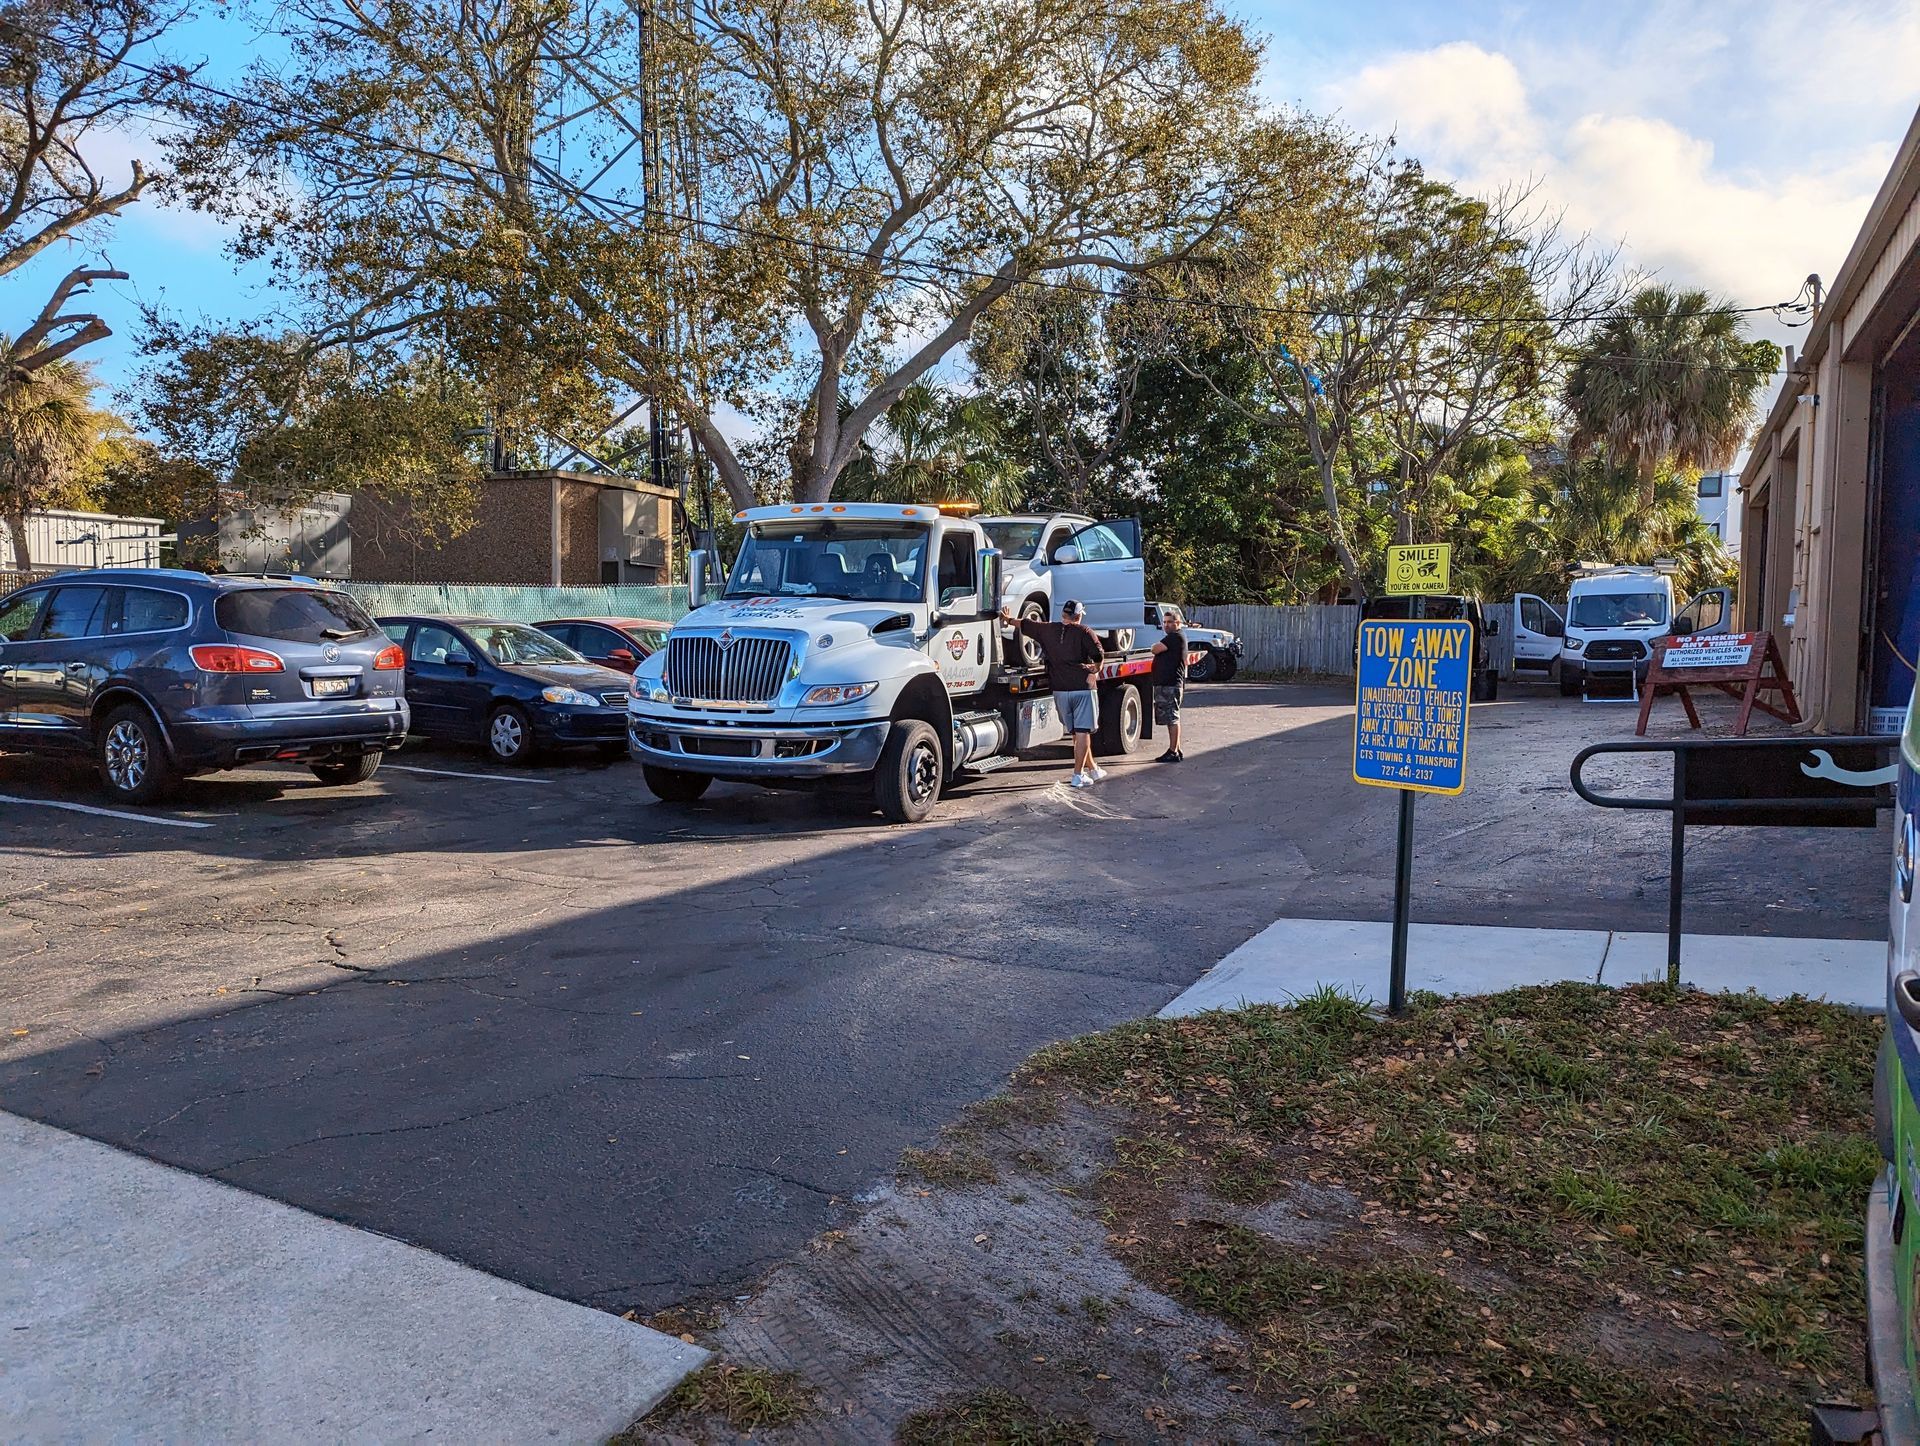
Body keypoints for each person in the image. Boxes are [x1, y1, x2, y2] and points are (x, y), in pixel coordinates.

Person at [1002, 598, 1106, 787]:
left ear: (1063, 614)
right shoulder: (1085, 632)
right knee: (1083, 732)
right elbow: (1098, 655)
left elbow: (1026, 624)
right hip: (1082, 688)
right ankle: (1078, 775)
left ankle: (1093, 769)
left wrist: (1008, 620)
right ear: (1079, 615)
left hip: (1060, 690)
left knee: (1076, 731)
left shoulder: (1048, 629)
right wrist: (1096, 668)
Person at [1149, 607, 1187, 762]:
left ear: (1178, 623)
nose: (1166, 625)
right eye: (1164, 622)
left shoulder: (1174, 637)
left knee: (1172, 718)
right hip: (1168, 683)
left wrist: (1155, 647)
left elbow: (1155, 649)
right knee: (1172, 717)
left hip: (1170, 684)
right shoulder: (1175, 637)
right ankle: (1176, 749)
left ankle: (1173, 751)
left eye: (1170, 622)